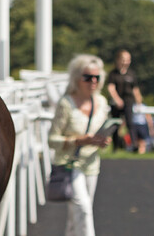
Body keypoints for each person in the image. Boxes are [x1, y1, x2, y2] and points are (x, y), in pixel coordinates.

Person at [48, 54, 111, 236]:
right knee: (83, 210)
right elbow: (52, 140)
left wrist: (102, 141)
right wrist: (79, 140)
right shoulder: (66, 104)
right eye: (87, 77)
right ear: (77, 78)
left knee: (77, 216)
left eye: (96, 77)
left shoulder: (102, 102)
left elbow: (99, 134)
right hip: (69, 164)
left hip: (91, 164)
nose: (92, 81)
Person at [106, 50, 142, 151]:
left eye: (128, 60)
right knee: (115, 125)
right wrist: (117, 100)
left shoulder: (131, 73)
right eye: (124, 59)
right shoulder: (113, 74)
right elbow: (111, 88)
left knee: (130, 124)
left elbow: (135, 88)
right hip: (116, 103)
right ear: (118, 60)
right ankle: (116, 147)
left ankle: (134, 146)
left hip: (128, 101)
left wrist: (139, 100)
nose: (126, 62)